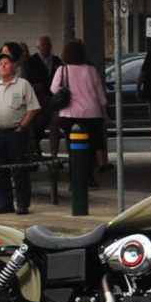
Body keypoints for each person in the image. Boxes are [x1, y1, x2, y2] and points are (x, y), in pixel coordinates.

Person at [49, 37, 108, 215]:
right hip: (92, 113)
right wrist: (105, 113)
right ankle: (89, 177)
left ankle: (74, 180)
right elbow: (100, 94)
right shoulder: (91, 70)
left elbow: (53, 89)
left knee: (73, 148)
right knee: (90, 149)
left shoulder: (62, 70)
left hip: (69, 115)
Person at [0, 50, 40, 215]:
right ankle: (4, 203)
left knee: (19, 170)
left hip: (16, 133)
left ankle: (23, 204)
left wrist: (22, 127)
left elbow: (33, 108)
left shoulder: (23, 85)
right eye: (0, 64)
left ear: (13, 66)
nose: (3, 66)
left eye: (6, 63)